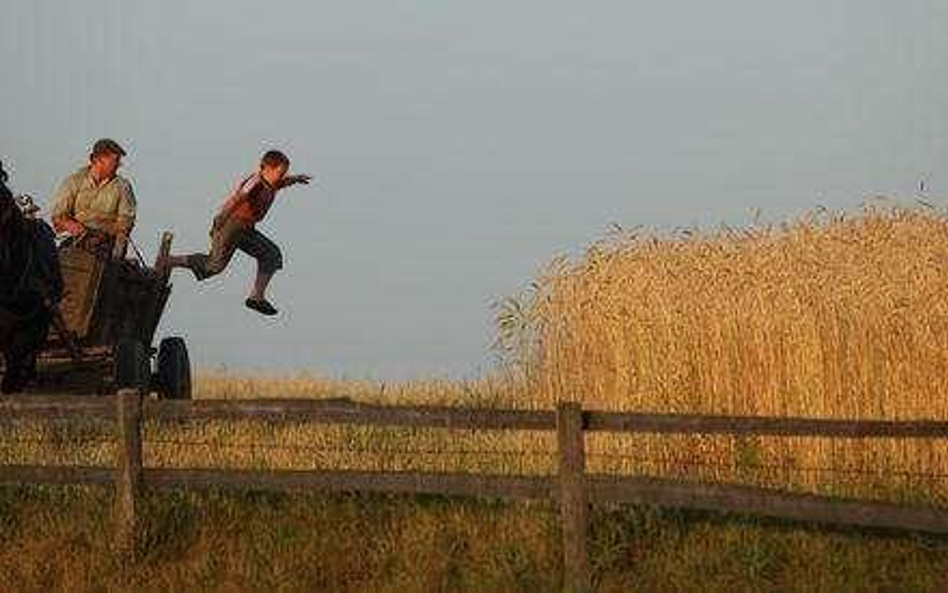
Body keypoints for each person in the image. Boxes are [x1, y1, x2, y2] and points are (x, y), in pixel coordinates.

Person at [162, 149, 311, 316]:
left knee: (272, 254)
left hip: (247, 229)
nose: (282, 176)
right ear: (267, 168)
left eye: (284, 173)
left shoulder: (272, 183)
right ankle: (169, 261)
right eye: (280, 172)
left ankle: (256, 297)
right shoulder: (256, 181)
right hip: (230, 225)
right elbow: (239, 197)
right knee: (214, 266)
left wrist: (295, 179)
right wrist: (221, 217)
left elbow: (281, 183)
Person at [50, 138, 136, 255]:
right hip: (75, 241)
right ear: (97, 160)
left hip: (106, 245)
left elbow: (125, 223)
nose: (118, 165)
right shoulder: (74, 182)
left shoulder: (122, 187)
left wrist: (103, 233)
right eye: (115, 160)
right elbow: (58, 216)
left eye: (118, 161)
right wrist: (72, 226)